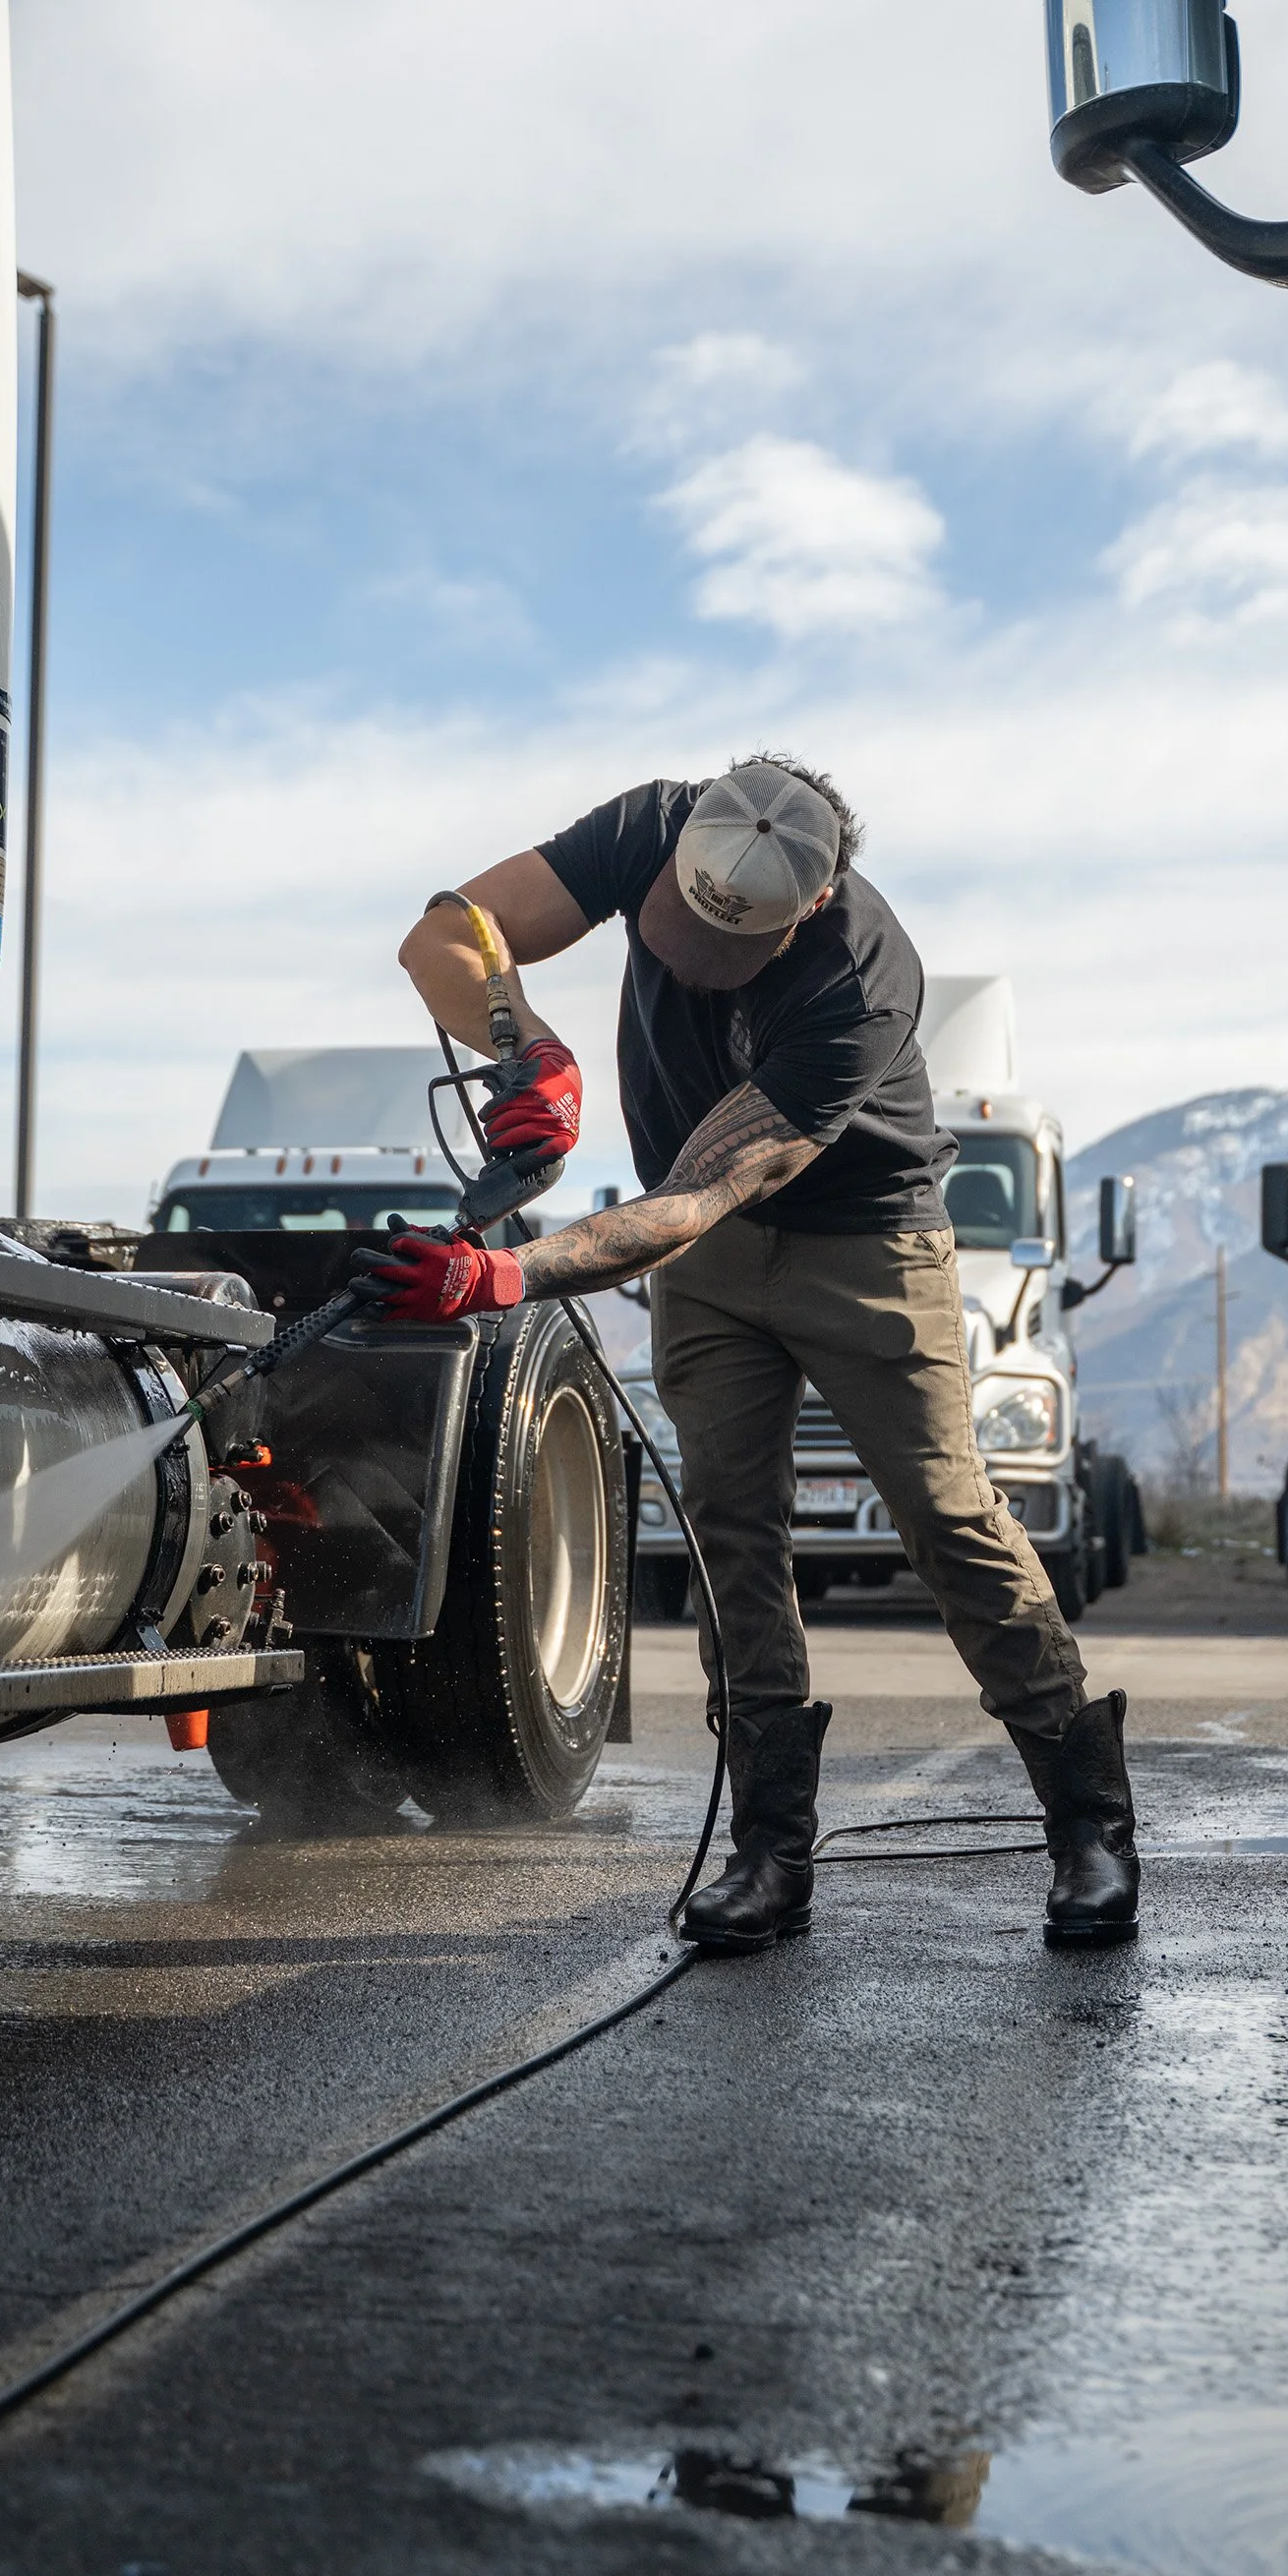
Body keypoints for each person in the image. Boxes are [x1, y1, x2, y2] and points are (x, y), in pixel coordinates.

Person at [381, 755, 1138, 1956]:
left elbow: (689, 1202)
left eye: (723, 950)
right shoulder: (653, 825)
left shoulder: (860, 985)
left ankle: (1088, 1825)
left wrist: (509, 1273)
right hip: (712, 1274)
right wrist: (524, 1046)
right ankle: (770, 1852)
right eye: (670, 923)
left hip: (865, 1249)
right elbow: (442, 937)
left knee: (950, 1522)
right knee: (734, 1526)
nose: (679, 957)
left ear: (810, 911)